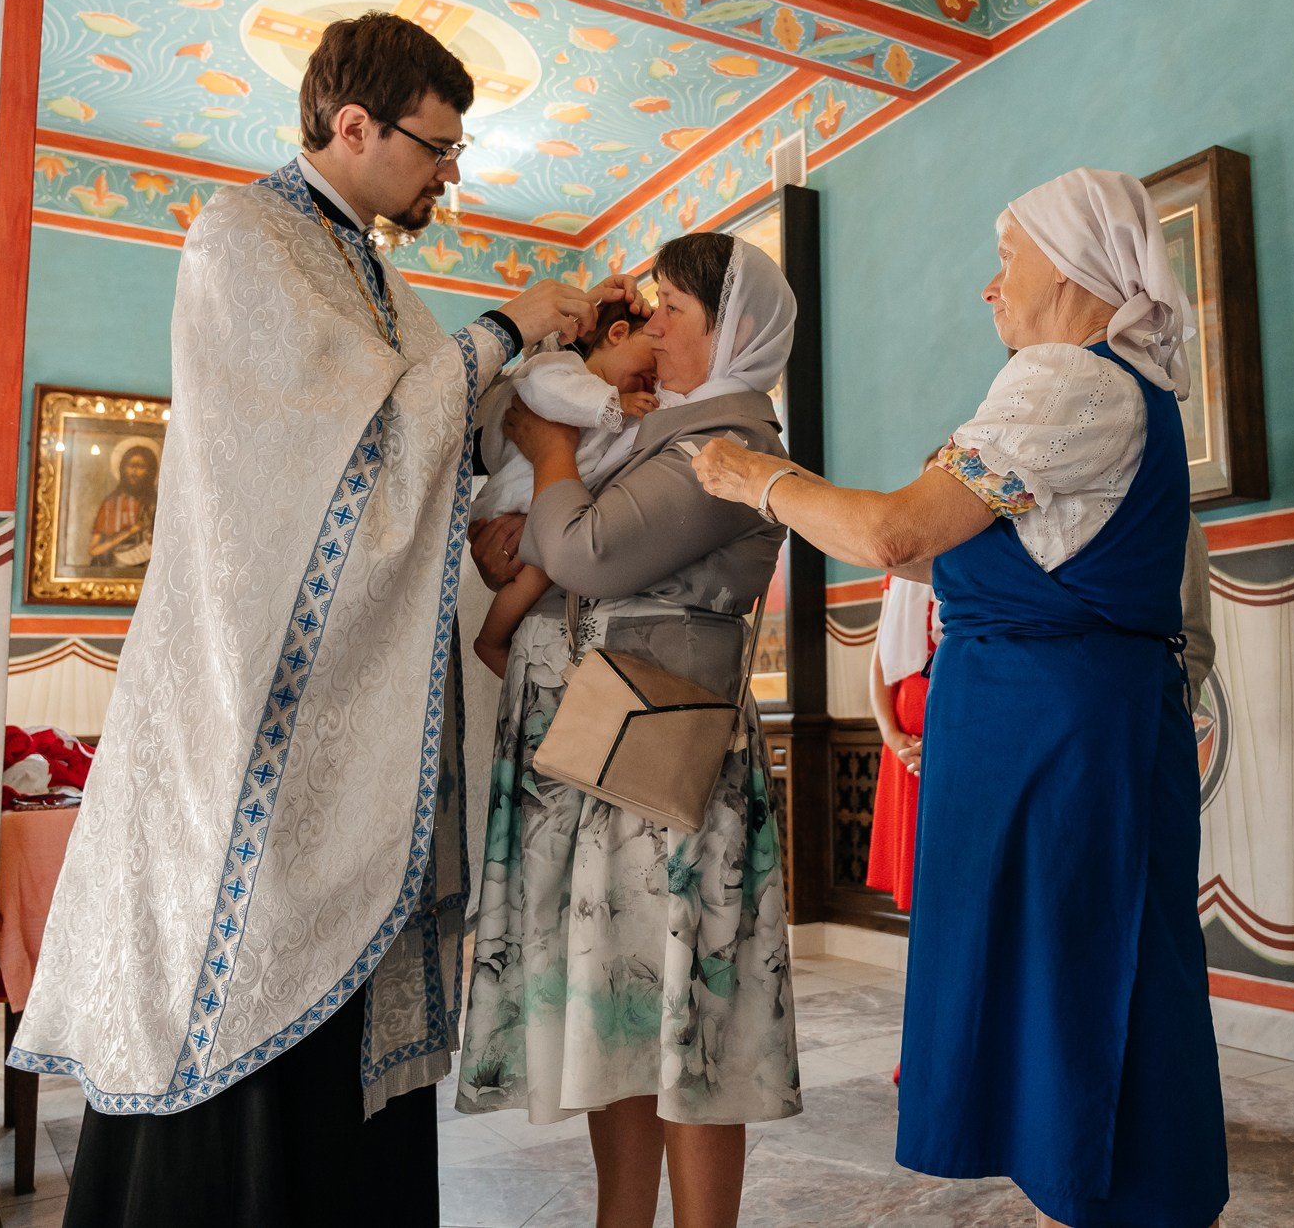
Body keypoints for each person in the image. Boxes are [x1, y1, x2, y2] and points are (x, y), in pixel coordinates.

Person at [8, 12, 647, 1228]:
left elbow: (433, 436)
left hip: (349, 727)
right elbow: (349, 455)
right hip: (253, 714)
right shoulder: (242, 239)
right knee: (237, 981)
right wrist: (506, 326)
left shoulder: (379, 277)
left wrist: (553, 384)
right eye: (433, 145)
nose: (448, 172)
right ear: (351, 126)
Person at [692, 168, 1224, 1228]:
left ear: (1071, 266)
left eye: (1006, 258)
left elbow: (896, 534)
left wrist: (755, 478)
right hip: (1055, 717)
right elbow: (998, 559)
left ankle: (1120, 1193)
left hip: (1052, 729)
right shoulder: (1113, 387)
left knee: (1082, 966)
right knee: (1073, 964)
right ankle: (1096, 1185)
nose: (991, 287)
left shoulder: (1068, 375)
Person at [458, 231, 802, 1228]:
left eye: (674, 312)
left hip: (661, 759)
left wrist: (552, 452)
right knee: (617, 1007)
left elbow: (588, 550)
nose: (651, 325)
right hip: (598, 753)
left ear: (730, 329)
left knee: (685, 1016)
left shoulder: (730, 443)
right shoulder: (662, 428)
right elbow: (529, 527)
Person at [470, 301, 659, 678]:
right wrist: (613, 404)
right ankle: (490, 641)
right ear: (617, 333)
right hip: (515, 501)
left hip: (546, 509)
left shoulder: (619, 412)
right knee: (541, 569)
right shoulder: (561, 369)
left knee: (547, 568)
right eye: (651, 363)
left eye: (658, 378)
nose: (652, 379)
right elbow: (543, 391)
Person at [865, 567, 938, 914]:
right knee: (915, 875)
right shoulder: (897, 571)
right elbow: (879, 665)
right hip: (906, 743)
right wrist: (893, 738)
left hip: (958, 729)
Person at [87, 443, 157, 568]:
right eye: (131, 465)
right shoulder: (111, 504)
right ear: (122, 468)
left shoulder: (155, 504)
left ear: (150, 471)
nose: (134, 471)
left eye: (141, 467)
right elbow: (94, 549)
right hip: (112, 567)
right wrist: (129, 532)